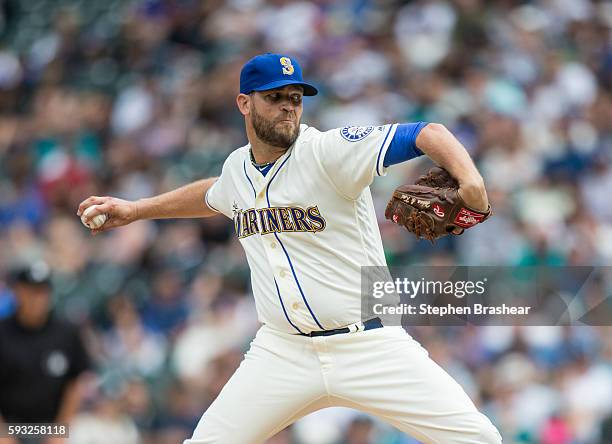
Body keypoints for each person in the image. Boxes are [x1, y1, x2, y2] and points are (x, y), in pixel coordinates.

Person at [77, 53, 502, 443]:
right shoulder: (237, 169)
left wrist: (471, 181)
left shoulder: (327, 151)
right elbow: (215, 194)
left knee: (480, 440)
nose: (288, 106)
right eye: (274, 97)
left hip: (370, 342)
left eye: (296, 97)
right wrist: (136, 210)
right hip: (283, 352)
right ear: (245, 104)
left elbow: (429, 132)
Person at [0, 260, 90, 444]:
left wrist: (60, 431)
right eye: (30, 291)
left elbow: (75, 383)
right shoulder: (2, 332)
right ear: (17, 292)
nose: (37, 299)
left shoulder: (66, 333)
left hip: (52, 425)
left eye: (42, 292)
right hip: (9, 425)